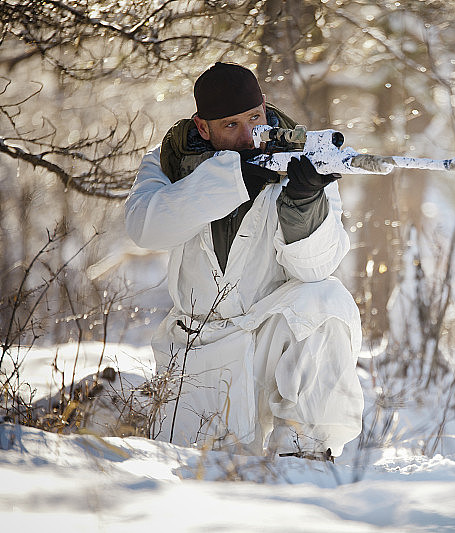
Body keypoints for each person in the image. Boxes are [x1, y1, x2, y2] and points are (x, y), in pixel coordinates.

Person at [124, 62, 363, 460]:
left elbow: (316, 268)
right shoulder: (169, 159)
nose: (250, 135)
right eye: (230, 125)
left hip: (269, 336)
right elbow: (146, 227)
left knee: (326, 299)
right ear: (203, 128)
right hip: (198, 347)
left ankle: (303, 451)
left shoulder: (302, 157)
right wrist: (232, 181)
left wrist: (304, 203)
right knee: (207, 476)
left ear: (265, 107)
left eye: (255, 117)